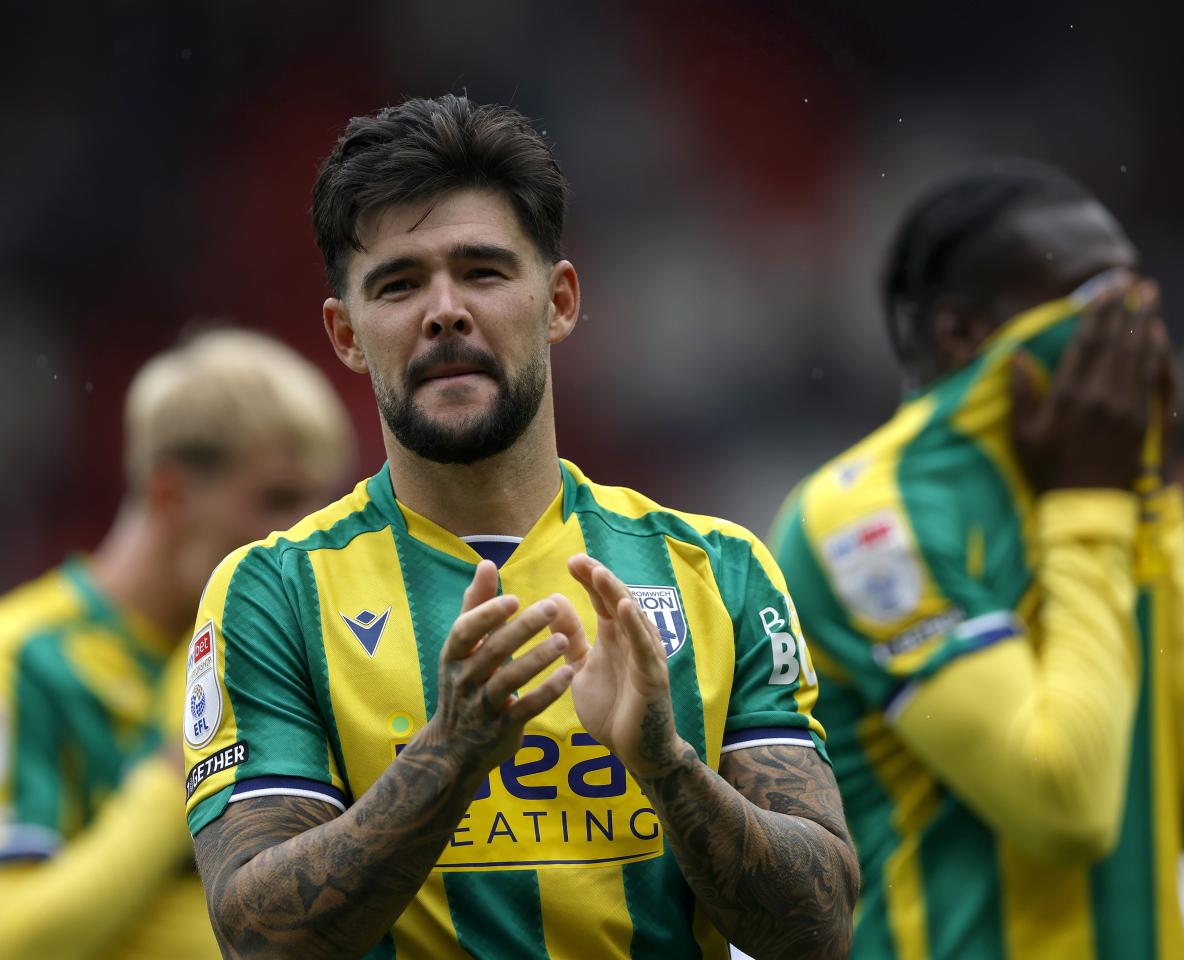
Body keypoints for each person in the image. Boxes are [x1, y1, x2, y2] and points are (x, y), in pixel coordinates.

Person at [183, 94, 860, 960]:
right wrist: (449, 755)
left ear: (559, 302)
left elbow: (817, 929)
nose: (444, 311)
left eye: (484, 272)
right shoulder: (273, 593)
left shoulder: (718, 570)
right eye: (399, 284)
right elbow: (259, 938)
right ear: (346, 334)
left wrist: (666, 764)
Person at [770, 163, 1183, 959]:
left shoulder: (1103, 479)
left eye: (1139, 294)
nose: (1130, 325)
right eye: (1097, 297)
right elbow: (1065, 806)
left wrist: (1154, 505)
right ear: (964, 332)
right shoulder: (870, 518)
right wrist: (1092, 508)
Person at [0, 328, 355, 960]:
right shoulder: (10, 654)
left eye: (321, 504)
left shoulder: (276, 652)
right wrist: (179, 770)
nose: (301, 535)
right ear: (169, 493)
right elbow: (4, 942)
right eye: (277, 498)